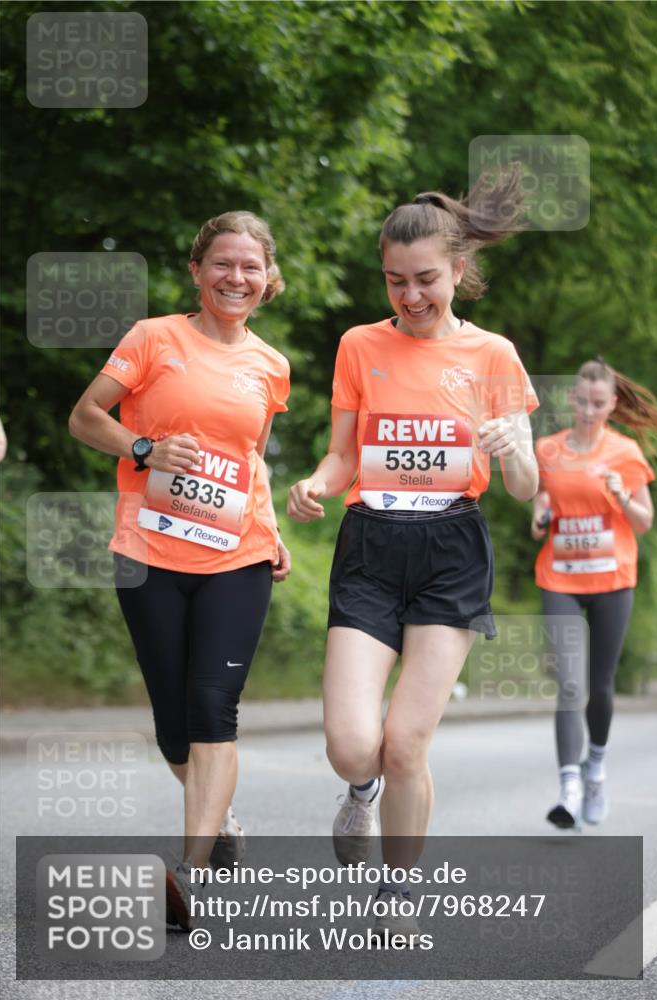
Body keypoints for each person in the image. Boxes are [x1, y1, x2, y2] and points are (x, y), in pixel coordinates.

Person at [288, 169, 539, 941]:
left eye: (425, 279)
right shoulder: (360, 345)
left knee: (407, 744)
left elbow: (526, 486)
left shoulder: (492, 355)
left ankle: (397, 894)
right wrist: (314, 486)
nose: (410, 296)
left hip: (449, 548)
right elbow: (342, 456)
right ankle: (357, 791)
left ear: (457, 271)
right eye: (395, 281)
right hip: (369, 544)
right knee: (353, 744)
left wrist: (511, 447)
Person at [69, 211, 291, 929]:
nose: (236, 277)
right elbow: (84, 417)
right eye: (222, 264)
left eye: (250, 267)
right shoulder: (152, 338)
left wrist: (274, 527)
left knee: (211, 708)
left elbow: (250, 456)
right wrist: (141, 449)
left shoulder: (270, 365)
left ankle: (191, 874)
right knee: (173, 725)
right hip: (147, 551)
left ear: (267, 278)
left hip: (238, 554)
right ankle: (220, 819)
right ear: (197, 271)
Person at [531, 358, 657, 829]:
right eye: (581, 401)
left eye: (598, 404)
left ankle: (596, 768)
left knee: (599, 687)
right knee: (569, 684)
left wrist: (621, 496)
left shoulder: (625, 453)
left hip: (611, 580)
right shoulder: (548, 449)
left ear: (613, 405)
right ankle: (568, 787)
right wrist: (542, 517)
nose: (588, 410)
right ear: (570, 399)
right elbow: (540, 509)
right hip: (560, 576)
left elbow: (643, 521)